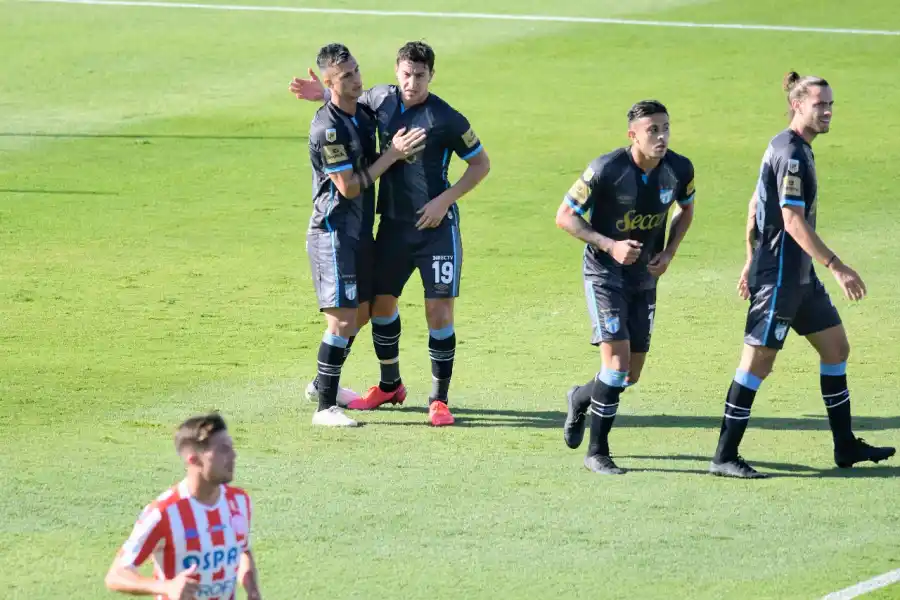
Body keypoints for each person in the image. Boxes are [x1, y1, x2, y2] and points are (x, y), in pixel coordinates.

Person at [291, 41, 491, 426]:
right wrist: (325, 93)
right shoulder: (380, 100)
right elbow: (347, 106)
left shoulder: (448, 118)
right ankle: (385, 386)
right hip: (390, 229)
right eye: (405, 74)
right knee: (375, 307)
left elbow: (481, 164)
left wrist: (444, 202)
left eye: (420, 75)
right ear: (396, 72)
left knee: (436, 310)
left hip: (435, 229)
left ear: (432, 75)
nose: (412, 82)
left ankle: (439, 400)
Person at [710, 72, 895, 478]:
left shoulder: (794, 147)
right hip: (779, 278)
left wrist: (748, 257)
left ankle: (844, 446)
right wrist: (837, 265)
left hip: (799, 277)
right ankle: (724, 455)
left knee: (836, 349)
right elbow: (791, 220)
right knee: (756, 365)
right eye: (819, 105)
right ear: (798, 105)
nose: (827, 112)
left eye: (830, 105)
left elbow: (754, 205)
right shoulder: (791, 153)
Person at [555, 100, 696, 474]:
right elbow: (564, 216)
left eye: (665, 127)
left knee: (629, 375)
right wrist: (610, 245)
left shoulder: (680, 169)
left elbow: (686, 209)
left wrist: (669, 252)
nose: (662, 136)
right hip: (604, 275)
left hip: (644, 278)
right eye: (653, 130)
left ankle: (580, 397)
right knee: (615, 368)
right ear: (632, 135)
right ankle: (596, 452)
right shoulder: (606, 169)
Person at [303, 43, 426, 427]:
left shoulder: (362, 114)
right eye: (346, 77)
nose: (357, 80)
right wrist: (392, 154)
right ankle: (325, 408)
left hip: (359, 230)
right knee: (341, 320)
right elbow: (349, 187)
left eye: (356, 71)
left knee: (362, 311)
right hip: (333, 232)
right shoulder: (327, 129)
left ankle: (325, 381)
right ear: (330, 81)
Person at [104, 413, 262, 600]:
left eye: (231, 447)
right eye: (223, 450)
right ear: (193, 459)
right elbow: (116, 575)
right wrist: (166, 587)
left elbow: (242, 549)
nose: (233, 455)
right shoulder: (163, 513)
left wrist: (252, 589)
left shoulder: (239, 502)